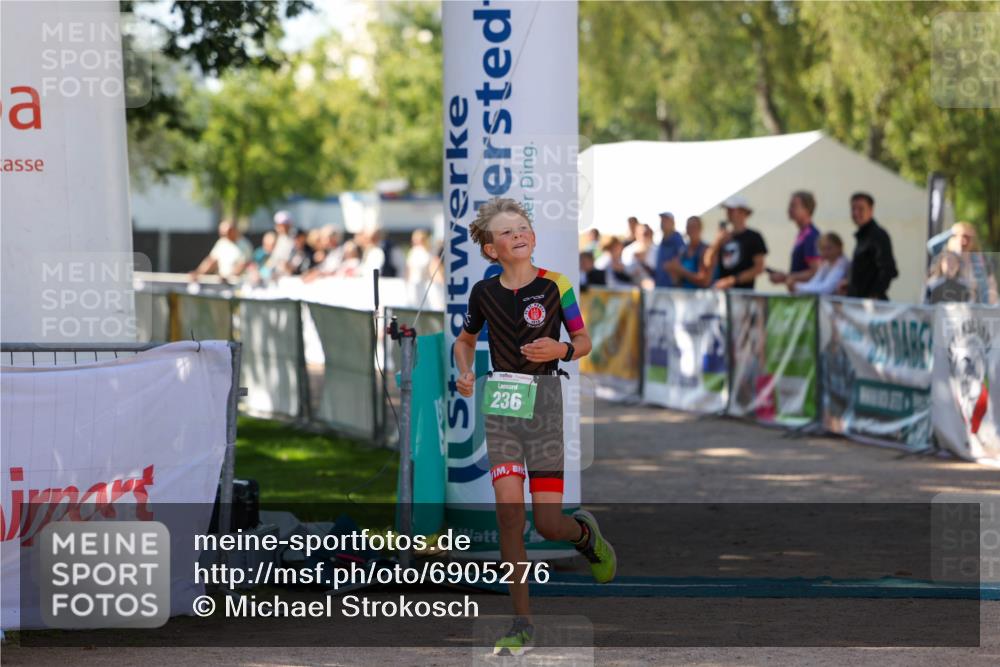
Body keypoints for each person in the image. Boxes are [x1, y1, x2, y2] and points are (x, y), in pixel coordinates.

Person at [454, 197, 616, 657]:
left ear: (534, 237)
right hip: (501, 406)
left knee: (546, 524)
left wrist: (561, 351)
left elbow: (583, 340)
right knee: (509, 515)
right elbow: (464, 342)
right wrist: (464, 372)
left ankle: (584, 534)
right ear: (491, 250)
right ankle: (521, 622)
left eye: (523, 226)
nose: (518, 234)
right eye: (506, 232)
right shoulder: (483, 294)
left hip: (544, 403)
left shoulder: (556, 285)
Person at [844, 192, 898, 300]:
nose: (856, 213)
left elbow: (888, 269)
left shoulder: (878, 235)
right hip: (858, 303)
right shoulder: (863, 236)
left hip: (870, 307)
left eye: (861, 209)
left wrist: (874, 295)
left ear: (871, 210)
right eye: (853, 209)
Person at [711, 195, 767, 290]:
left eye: (731, 210)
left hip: (744, 295)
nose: (728, 213)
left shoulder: (754, 237)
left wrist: (732, 280)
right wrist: (717, 243)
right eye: (727, 210)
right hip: (723, 295)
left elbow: (759, 268)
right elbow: (708, 263)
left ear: (743, 212)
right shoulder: (723, 237)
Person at [769, 191, 821, 288]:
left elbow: (815, 271)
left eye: (794, 206)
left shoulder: (811, 236)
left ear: (807, 209)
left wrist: (786, 277)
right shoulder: (803, 234)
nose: (789, 209)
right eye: (790, 206)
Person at [675, 216, 709, 288]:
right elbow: (677, 280)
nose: (691, 230)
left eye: (694, 227)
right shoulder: (683, 251)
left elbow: (704, 280)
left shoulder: (706, 250)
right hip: (685, 296)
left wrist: (681, 271)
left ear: (700, 229)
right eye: (689, 227)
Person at [654, 212, 686, 288]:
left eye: (666, 221)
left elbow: (682, 257)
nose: (662, 223)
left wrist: (673, 266)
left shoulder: (677, 238)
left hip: (672, 287)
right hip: (660, 285)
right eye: (662, 221)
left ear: (672, 222)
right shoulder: (662, 240)